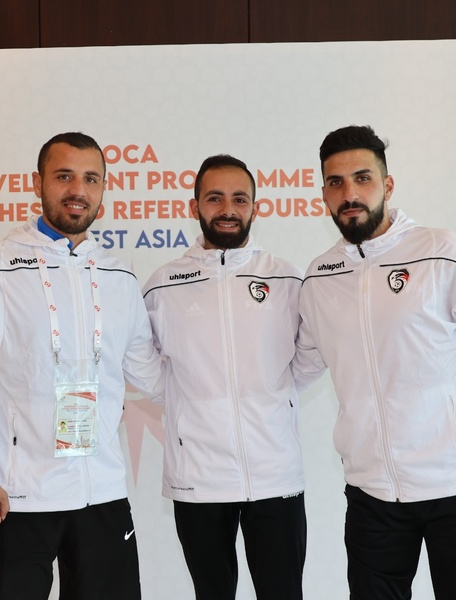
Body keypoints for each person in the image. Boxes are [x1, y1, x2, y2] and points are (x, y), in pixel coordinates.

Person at [294, 125, 456, 599]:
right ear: (324, 194)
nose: (350, 194)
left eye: (362, 178)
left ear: (387, 186)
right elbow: (297, 368)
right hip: (371, 496)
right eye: (336, 183)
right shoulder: (319, 277)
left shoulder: (443, 252)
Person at [0, 131, 160, 599]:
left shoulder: (119, 277)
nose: (77, 190)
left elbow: (154, 373)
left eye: (90, 179)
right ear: (38, 182)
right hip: (16, 497)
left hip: (100, 494)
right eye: (64, 177)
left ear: (103, 190)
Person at [142, 154, 308, 600]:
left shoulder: (286, 277)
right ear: (195, 205)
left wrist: (278, 396)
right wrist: (186, 400)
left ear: (256, 207)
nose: (228, 209)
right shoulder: (163, 285)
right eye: (215, 198)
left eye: (239, 198)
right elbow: (143, 365)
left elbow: (307, 357)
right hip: (198, 476)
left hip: (275, 473)